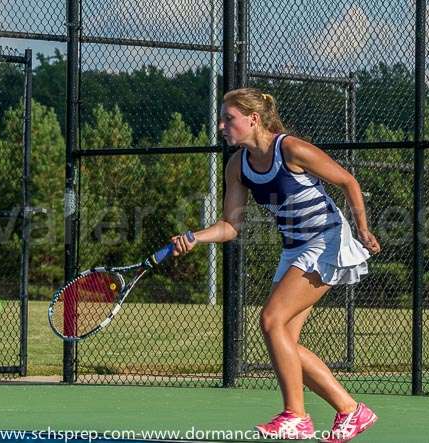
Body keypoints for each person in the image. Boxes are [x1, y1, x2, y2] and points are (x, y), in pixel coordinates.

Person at [170, 87, 380, 442]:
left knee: (270, 319)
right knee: (284, 342)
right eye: (222, 119)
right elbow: (230, 226)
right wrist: (195, 236)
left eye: (229, 119)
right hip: (295, 249)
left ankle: (296, 416)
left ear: (252, 119)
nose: (222, 125)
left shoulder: (290, 149)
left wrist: (362, 228)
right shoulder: (238, 166)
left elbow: (348, 181)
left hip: (326, 240)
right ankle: (350, 409)